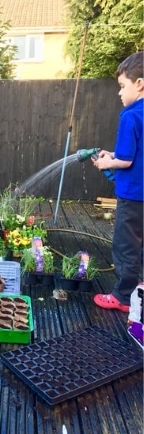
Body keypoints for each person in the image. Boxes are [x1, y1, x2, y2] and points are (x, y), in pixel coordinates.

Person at [92, 51, 143, 313]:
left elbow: (126, 161)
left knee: (125, 245)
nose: (120, 93)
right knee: (140, 241)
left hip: (133, 193)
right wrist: (113, 155)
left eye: (123, 86)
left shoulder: (131, 115)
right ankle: (140, 287)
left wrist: (105, 162)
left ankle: (123, 296)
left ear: (140, 84)